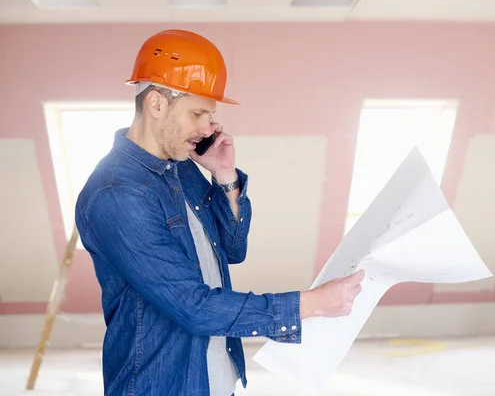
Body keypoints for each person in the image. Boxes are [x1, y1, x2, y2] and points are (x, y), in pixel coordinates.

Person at [74, 29, 364, 396]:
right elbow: (192, 306)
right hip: (162, 383)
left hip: (214, 374)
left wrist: (224, 176)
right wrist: (311, 303)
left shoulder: (180, 167)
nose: (208, 127)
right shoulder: (116, 195)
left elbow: (232, 250)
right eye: (198, 112)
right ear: (157, 104)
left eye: (209, 115)